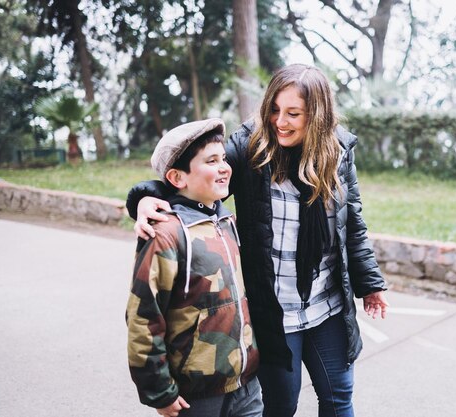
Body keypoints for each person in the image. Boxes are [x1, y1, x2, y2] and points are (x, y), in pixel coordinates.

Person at [126, 64, 389, 417]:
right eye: (274, 110)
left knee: (339, 397)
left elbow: (352, 221)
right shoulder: (252, 147)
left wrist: (370, 283)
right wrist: (144, 196)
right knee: (282, 404)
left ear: (319, 114)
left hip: (327, 303)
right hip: (275, 311)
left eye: (293, 113)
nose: (280, 121)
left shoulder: (339, 152)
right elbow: (195, 180)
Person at [125, 118, 262, 417]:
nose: (224, 167)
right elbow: (143, 318)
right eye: (211, 161)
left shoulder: (228, 223)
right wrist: (159, 393)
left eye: (223, 158)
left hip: (246, 387)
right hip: (196, 396)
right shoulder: (165, 234)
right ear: (177, 177)